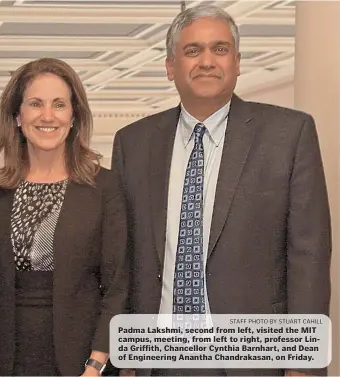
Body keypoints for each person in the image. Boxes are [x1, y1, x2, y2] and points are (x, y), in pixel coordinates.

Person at [111, 4, 332, 376]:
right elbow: (123, 258)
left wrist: (303, 363)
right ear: (170, 67)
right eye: (192, 51)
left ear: (238, 62)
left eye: (220, 49)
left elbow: (309, 256)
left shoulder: (288, 135)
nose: (207, 61)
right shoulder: (133, 144)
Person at [0, 57, 129, 377]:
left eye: (59, 104)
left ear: (74, 115)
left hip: (83, 363)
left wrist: (95, 365)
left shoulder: (104, 187)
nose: (47, 115)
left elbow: (118, 287)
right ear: (17, 116)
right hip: (5, 362)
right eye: (35, 104)